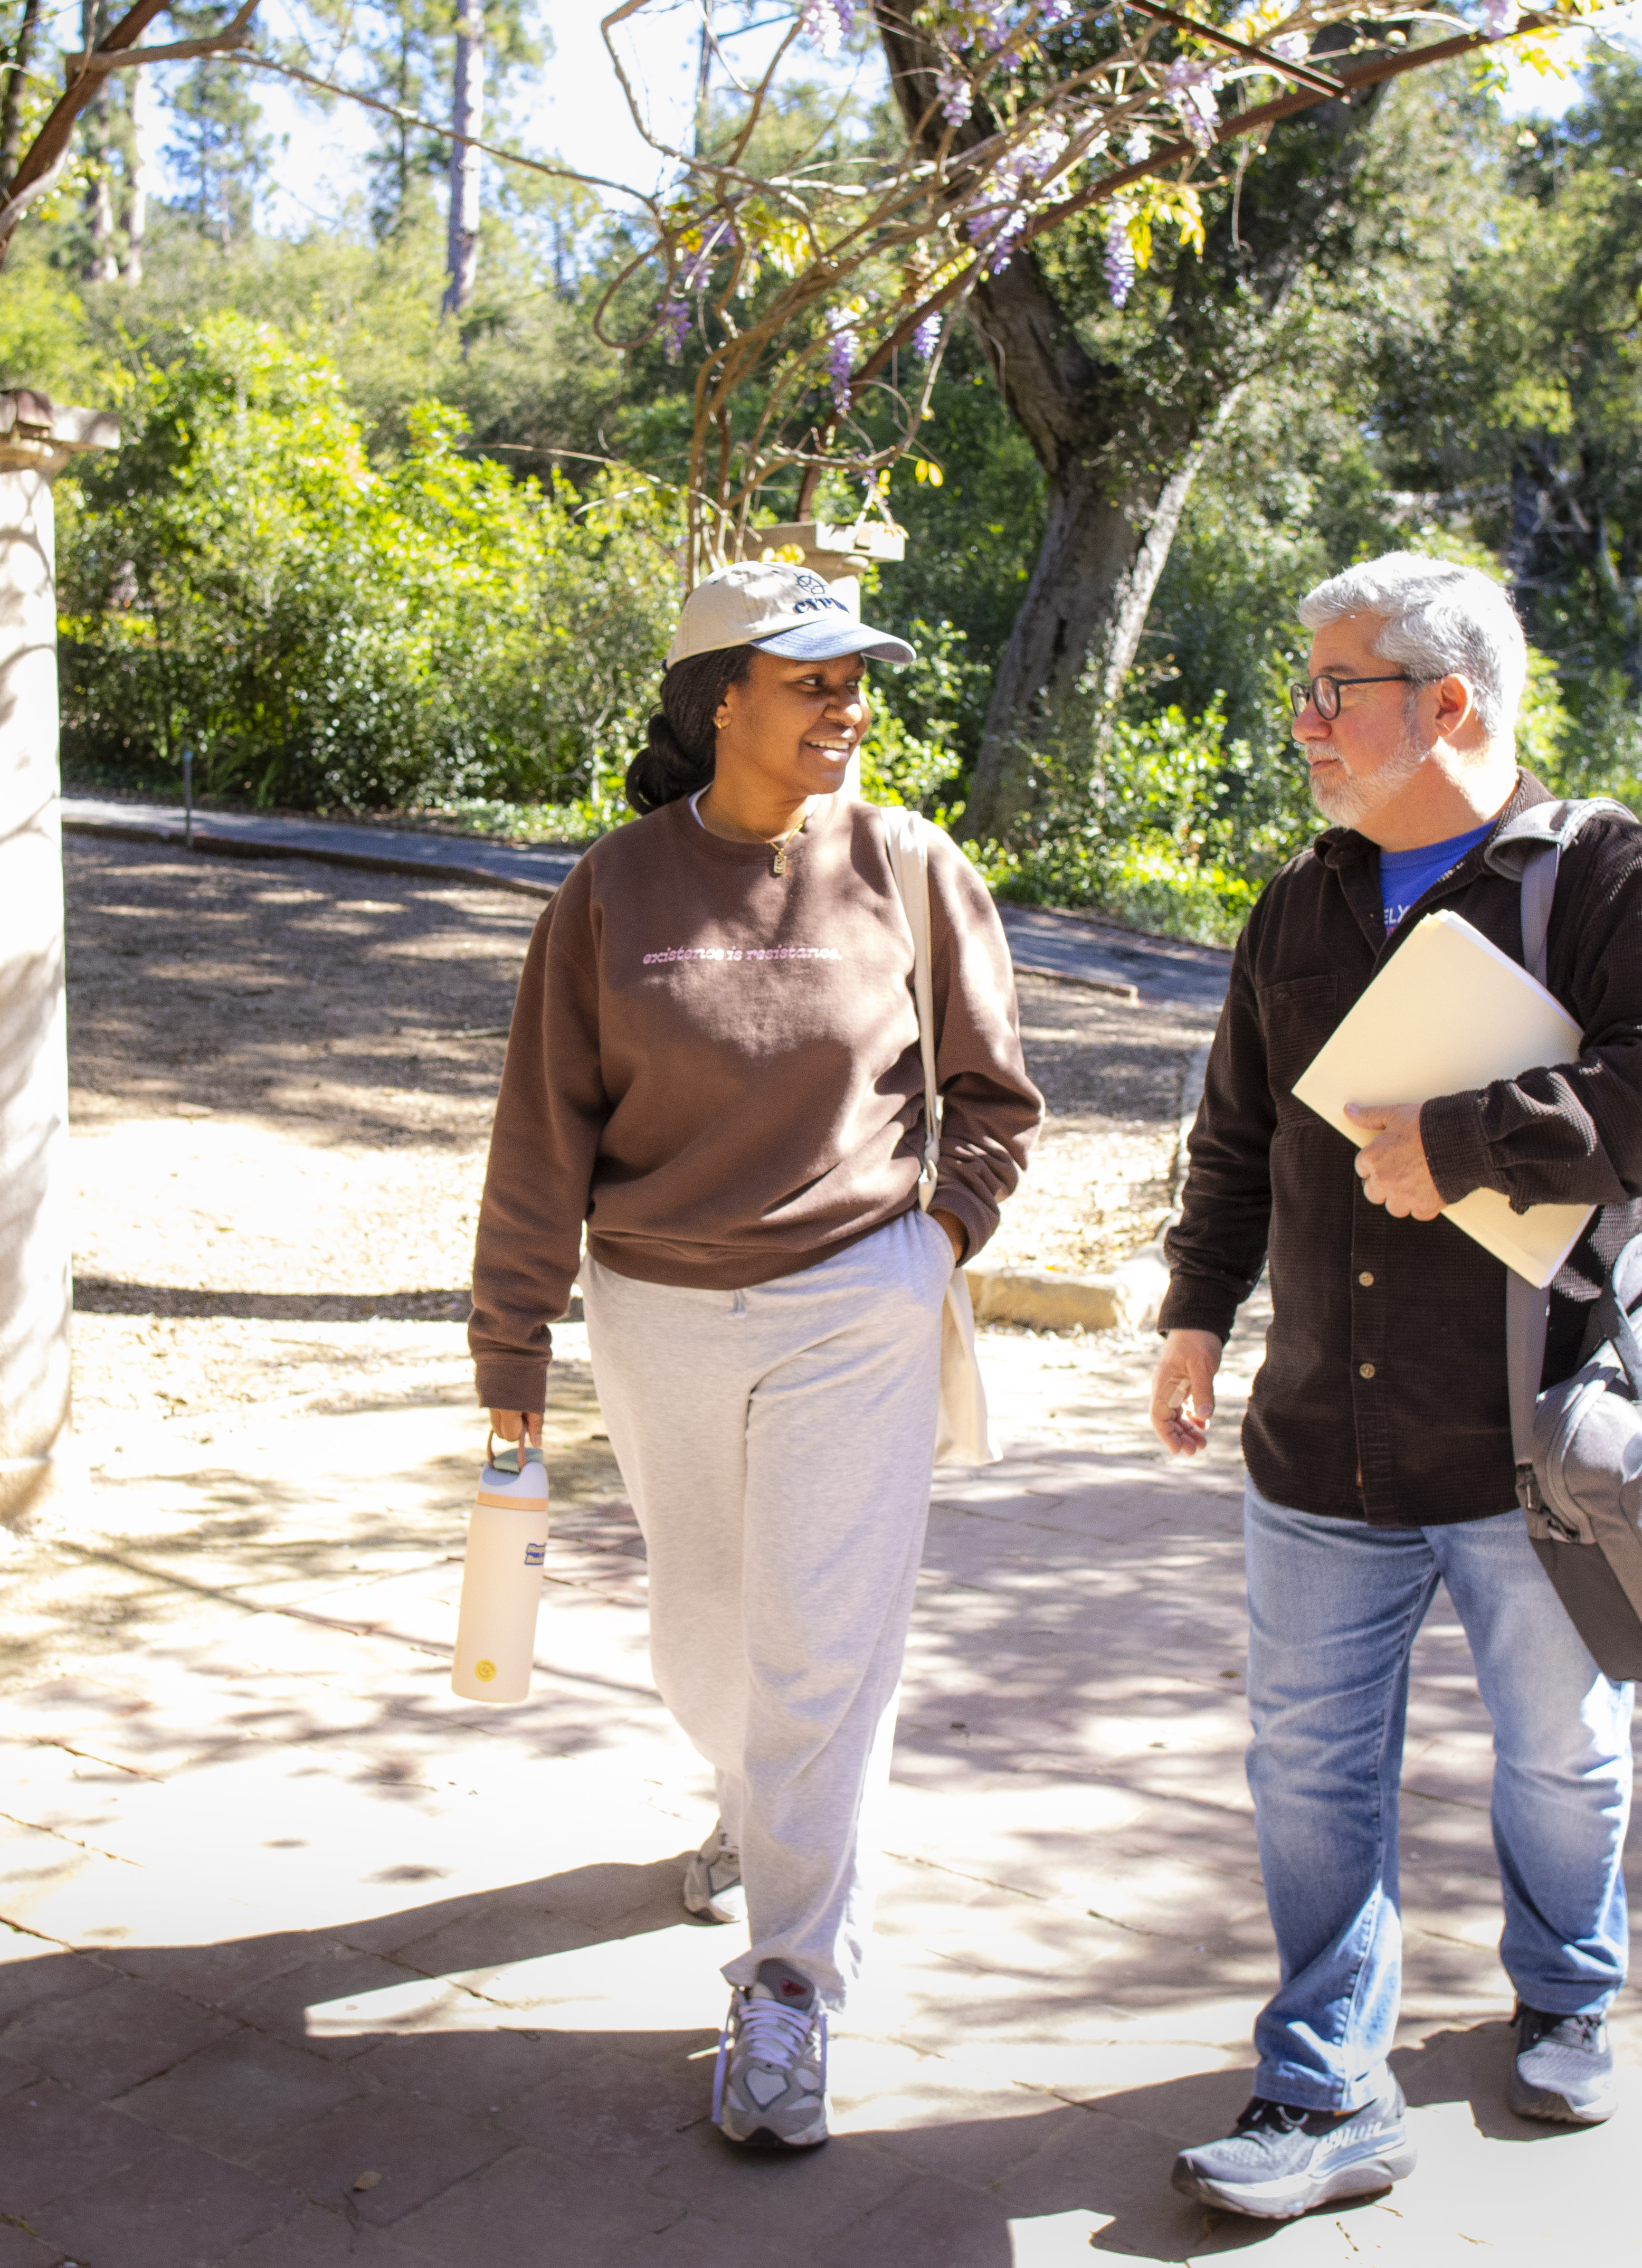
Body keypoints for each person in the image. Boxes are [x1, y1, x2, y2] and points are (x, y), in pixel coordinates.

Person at [1144, 555, 1642, 2219]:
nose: (1305, 724)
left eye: (1335, 692)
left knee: (1561, 1757)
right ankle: (1326, 2085)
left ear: (1453, 704)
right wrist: (1199, 1313)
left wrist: (1472, 1138)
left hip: (1533, 1450)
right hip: (1315, 1442)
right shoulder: (1299, 904)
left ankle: (1569, 1990)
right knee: (1308, 1768)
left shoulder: (1611, 877)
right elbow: (1242, 1136)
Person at [468, 558, 1041, 2151]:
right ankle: (762, 1808)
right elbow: (542, 1130)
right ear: (718, 698)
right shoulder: (610, 893)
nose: (848, 708)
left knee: (818, 1649)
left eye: (859, 683)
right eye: (813, 681)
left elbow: (994, 1097)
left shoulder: (910, 867)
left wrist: (932, 1242)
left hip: (854, 1302)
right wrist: (509, 1334)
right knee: (704, 1638)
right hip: (653, 1308)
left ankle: (790, 1982)